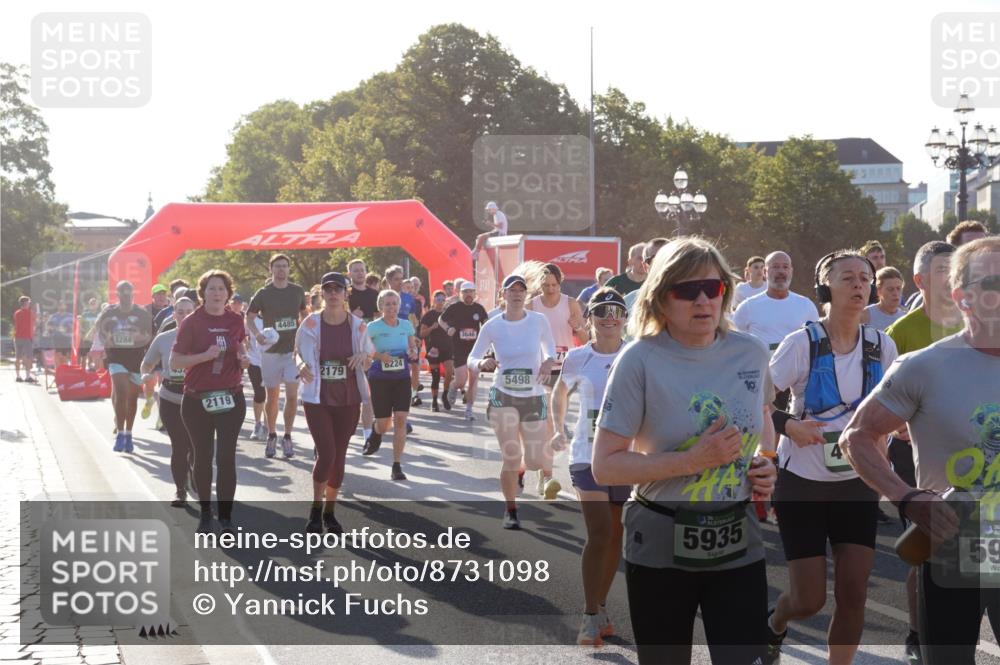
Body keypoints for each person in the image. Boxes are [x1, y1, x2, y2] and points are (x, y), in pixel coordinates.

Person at [591, 236, 777, 665]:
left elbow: (762, 423)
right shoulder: (639, 359)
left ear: (725, 294)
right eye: (686, 290)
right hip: (661, 537)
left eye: (712, 289)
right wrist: (692, 461)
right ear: (660, 298)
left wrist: (766, 465)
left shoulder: (751, 352)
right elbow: (605, 466)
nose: (702, 300)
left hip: (737, 535)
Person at [842, 236, 1000, 665]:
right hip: (955, 542)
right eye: (994, 283)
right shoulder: (925, 366)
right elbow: (855, 436)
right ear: (962, 297)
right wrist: (907, 498)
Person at [764, 250, 898, 665]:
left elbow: (897, 407)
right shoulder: (801, 343)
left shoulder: (882, 345)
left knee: (854, 591)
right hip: (802, 481)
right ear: (826, 288)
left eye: (865, 278)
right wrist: (790, 426)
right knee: (807, 600)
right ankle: (774, 624)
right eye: (848, 278)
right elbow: (757, 399)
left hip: (857, 482)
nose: (859, 285)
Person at [882, 240, 964, 660]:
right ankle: (917, 634)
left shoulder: (979, 323)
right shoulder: (901, 333)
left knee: (978, 556)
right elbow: (879, 408)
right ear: (920, 280)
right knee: (926, 551)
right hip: (917, 458)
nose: (951, 279)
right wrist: (900, 426)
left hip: (972, 459)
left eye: (956, 270)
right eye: (941, 272)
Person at [550, 288, 629, 646]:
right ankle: (590, 614)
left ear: (625, 317)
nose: (609, 318)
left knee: (616, 533)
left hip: (627, 456)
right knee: (599, 530)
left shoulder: (637, 354)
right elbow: (559, 393)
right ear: (590, 319)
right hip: (586, 453)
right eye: (601, 312)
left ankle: (600, 604)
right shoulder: (579, 358)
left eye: (616, 311)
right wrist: (558, 428)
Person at [468, 273, 559, 529]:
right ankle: (510, 510)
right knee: (511, 455)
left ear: (526, 295)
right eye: (512, 290)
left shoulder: (539, 321)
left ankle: (521, 470)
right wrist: (481, 363)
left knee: (533, 461)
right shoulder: (493, 325)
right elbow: (471, 357)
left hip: (533, 396)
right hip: (503, 396)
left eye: (521, 290)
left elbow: (550, 348)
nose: (517, 294)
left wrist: (549, 360)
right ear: (503, 295)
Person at [171, 270, 249, 535]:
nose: (217, 293)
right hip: (197, 400)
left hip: (231, 396)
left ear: (228, 293)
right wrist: (204, 356)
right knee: (202, 458)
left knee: (226, 458)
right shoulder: (192, 322)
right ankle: (206, 513)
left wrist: (244, 359)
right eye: (212, 289)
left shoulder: (236, 319)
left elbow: (240, 347)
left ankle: (226, 516)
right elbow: (176, 361)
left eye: (222, 289)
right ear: (202, 293)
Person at [296, 272, 372, 534]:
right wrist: (301, 365)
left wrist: (363, 354)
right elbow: (298, 354)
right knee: (326, 453)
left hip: (349, 399)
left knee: (339, 456)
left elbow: (369, 356)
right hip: (317, 398)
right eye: (328, 289)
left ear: (346, 293)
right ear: (322, 293)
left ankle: (330, 512)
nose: (333, 293)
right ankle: (316, 509)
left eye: (338, 289)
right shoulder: (310, 324)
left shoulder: (359, 326)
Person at [247, 254, 309, 459]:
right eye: (277, 266)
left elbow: (304, 316)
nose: (281, 270)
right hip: (271, 352)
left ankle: (288, 436)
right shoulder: (264, 293)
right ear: (271, 269)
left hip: (292, 352)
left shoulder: (297, 291)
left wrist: (305, 338)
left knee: (292, 396)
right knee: (272, 396)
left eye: (284, 266)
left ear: (288, 269)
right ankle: (272, 433)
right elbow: (250, 316)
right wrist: (257, 335)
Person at [141, 296, 197, 507]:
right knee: (180, 445)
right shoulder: (164, 339)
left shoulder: (203, 337)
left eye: (188, 311)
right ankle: (180, 490)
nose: (184, 315)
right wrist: (147, 375)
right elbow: (146, 364)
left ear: (195, 312)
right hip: (170, 397)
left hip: (196, 399)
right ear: (174, 315)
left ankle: (194, 474)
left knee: (197, 447)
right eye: (180, 312)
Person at [362, 289, 419, 481]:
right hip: (380, 378)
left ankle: (396, 465)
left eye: (394, 303)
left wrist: (413, 352)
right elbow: (364, 350)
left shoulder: (406, 325)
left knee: (401, 420)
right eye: (387, 304)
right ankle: (376, 432)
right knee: (384, 424)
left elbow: (412, 346)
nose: (391, 307)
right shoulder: (372, 327)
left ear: (399, 306)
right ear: (381, 307)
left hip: (402, 378)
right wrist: (379, 356)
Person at [95, 281, 153, 453]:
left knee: (132, 399)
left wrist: (138, 339)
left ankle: (128, 434)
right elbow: (100, 332)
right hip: (116, 358)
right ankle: (120, 434)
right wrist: (108, 340)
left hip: (136, 360)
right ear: (118, 295)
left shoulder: (142, 313)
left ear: (132, 295)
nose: (126, 297)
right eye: (123, 294)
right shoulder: (109, 312)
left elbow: (149, 336)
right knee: (121, 393)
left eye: (129, 294)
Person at [733, 251, 820, 354]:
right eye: (775, 267)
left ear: (791, 271)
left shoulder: (806, 306)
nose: (781, 271)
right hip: (762, 369)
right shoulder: (747, 307)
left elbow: (817, 344)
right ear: (765, 272)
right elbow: (735, 344)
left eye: (785, 267)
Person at [440, 280, 490, 421]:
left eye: (471, 292)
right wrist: (448, 328)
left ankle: (469, 410)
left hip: (475, 350)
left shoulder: (479, 309)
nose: (468, 294)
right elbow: (441, 319)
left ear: (475, 293)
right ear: (460, 293)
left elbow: (487, 325)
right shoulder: (454, 307)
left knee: (473, 381)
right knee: (461, 381)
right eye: (465, 292)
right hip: (459, 348)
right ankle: (453, 386)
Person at [347, 258, 378, 444]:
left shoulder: (374, 294)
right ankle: (348, 429)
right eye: (355, 270)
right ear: (349, 274)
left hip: (367, 346)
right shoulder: (345, 295)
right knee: (351, 394)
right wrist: (352, 317)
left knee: (367, 393)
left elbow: (378, 319)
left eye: (362, 269)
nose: (359, 273)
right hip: (347, 346)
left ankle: (368, 434)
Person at [419, 290, 454, 412]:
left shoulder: (448, 314)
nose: (441, 302)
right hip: (433, 348)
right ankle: (434, 401)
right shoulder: (428, 315)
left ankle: (445, 395)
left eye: (443, 299)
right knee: (435, 376)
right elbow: (422, 333)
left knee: (450, 371)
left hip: (447, 347)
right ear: (434, 300)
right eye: (438, 299)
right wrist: (431, 328)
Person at [244, 302, 268, 441]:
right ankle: (257, 424)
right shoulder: (251, 319)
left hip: (271, 361)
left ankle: (268, 425)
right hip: (254, 361)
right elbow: (244, 335)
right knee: (259, 394)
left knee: (270, 395)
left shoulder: (275, 318)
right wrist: (246, 343)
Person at [863, 266, 907, 331]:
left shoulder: (905, 317)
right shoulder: (865, 315)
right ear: (879, 291)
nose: (895, 293)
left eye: (898, 288)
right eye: (890, 289)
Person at [13, 296, 37, 383]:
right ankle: (27, 377)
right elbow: (35, 322)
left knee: (17, 357)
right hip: (27, 338)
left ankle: (18, 376)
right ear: (26, 303)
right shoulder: (30, 313)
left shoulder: (17, 313)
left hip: (17, 337)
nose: (29, 304)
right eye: (29, 302)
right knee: (29, 357)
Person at [78, 297, 101, 371]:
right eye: (91, 304)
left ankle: (93, 375)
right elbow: (80, 326)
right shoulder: (85, 314)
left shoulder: (100, 314)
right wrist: (82, 335)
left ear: (97, 305)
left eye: (94, 303)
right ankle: (82, 374)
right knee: (84, 357)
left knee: (94, 358)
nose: (93, 305)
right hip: (86, 339)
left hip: (96, 340)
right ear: (89, 305)